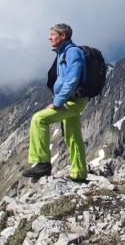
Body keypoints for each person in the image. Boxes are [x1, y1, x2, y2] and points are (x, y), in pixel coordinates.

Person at [22, 23, 89, 182]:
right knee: (73, 135)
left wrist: (58, 102)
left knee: (39, 119)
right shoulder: (63, 53)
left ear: (63, 36)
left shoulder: (72, 53)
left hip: (72, 101)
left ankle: (43, 163)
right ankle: (79, 173)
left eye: (52, 34)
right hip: (73, 100)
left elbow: (72, 80)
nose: (49, 38)